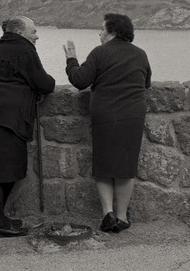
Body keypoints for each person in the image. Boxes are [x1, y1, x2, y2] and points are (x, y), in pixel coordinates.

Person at [63, 13, 151, 233]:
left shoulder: (99, 53)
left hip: (104, 115)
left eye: (102, 29)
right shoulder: (140, 54)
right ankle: (122, 218)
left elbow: (80, 80)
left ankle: (107, 214)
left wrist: (71, 58)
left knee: (103, 166)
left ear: (112, 31)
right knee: (125, 167)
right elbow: (146, 82)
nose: (99, 33)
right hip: (132, 115)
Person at [0, 16, 56, 238]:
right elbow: (44, 84)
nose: (37, 35)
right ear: (20, 33)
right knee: (2, 171)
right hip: (8, 116)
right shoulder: (24, 49)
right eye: (34, 31)